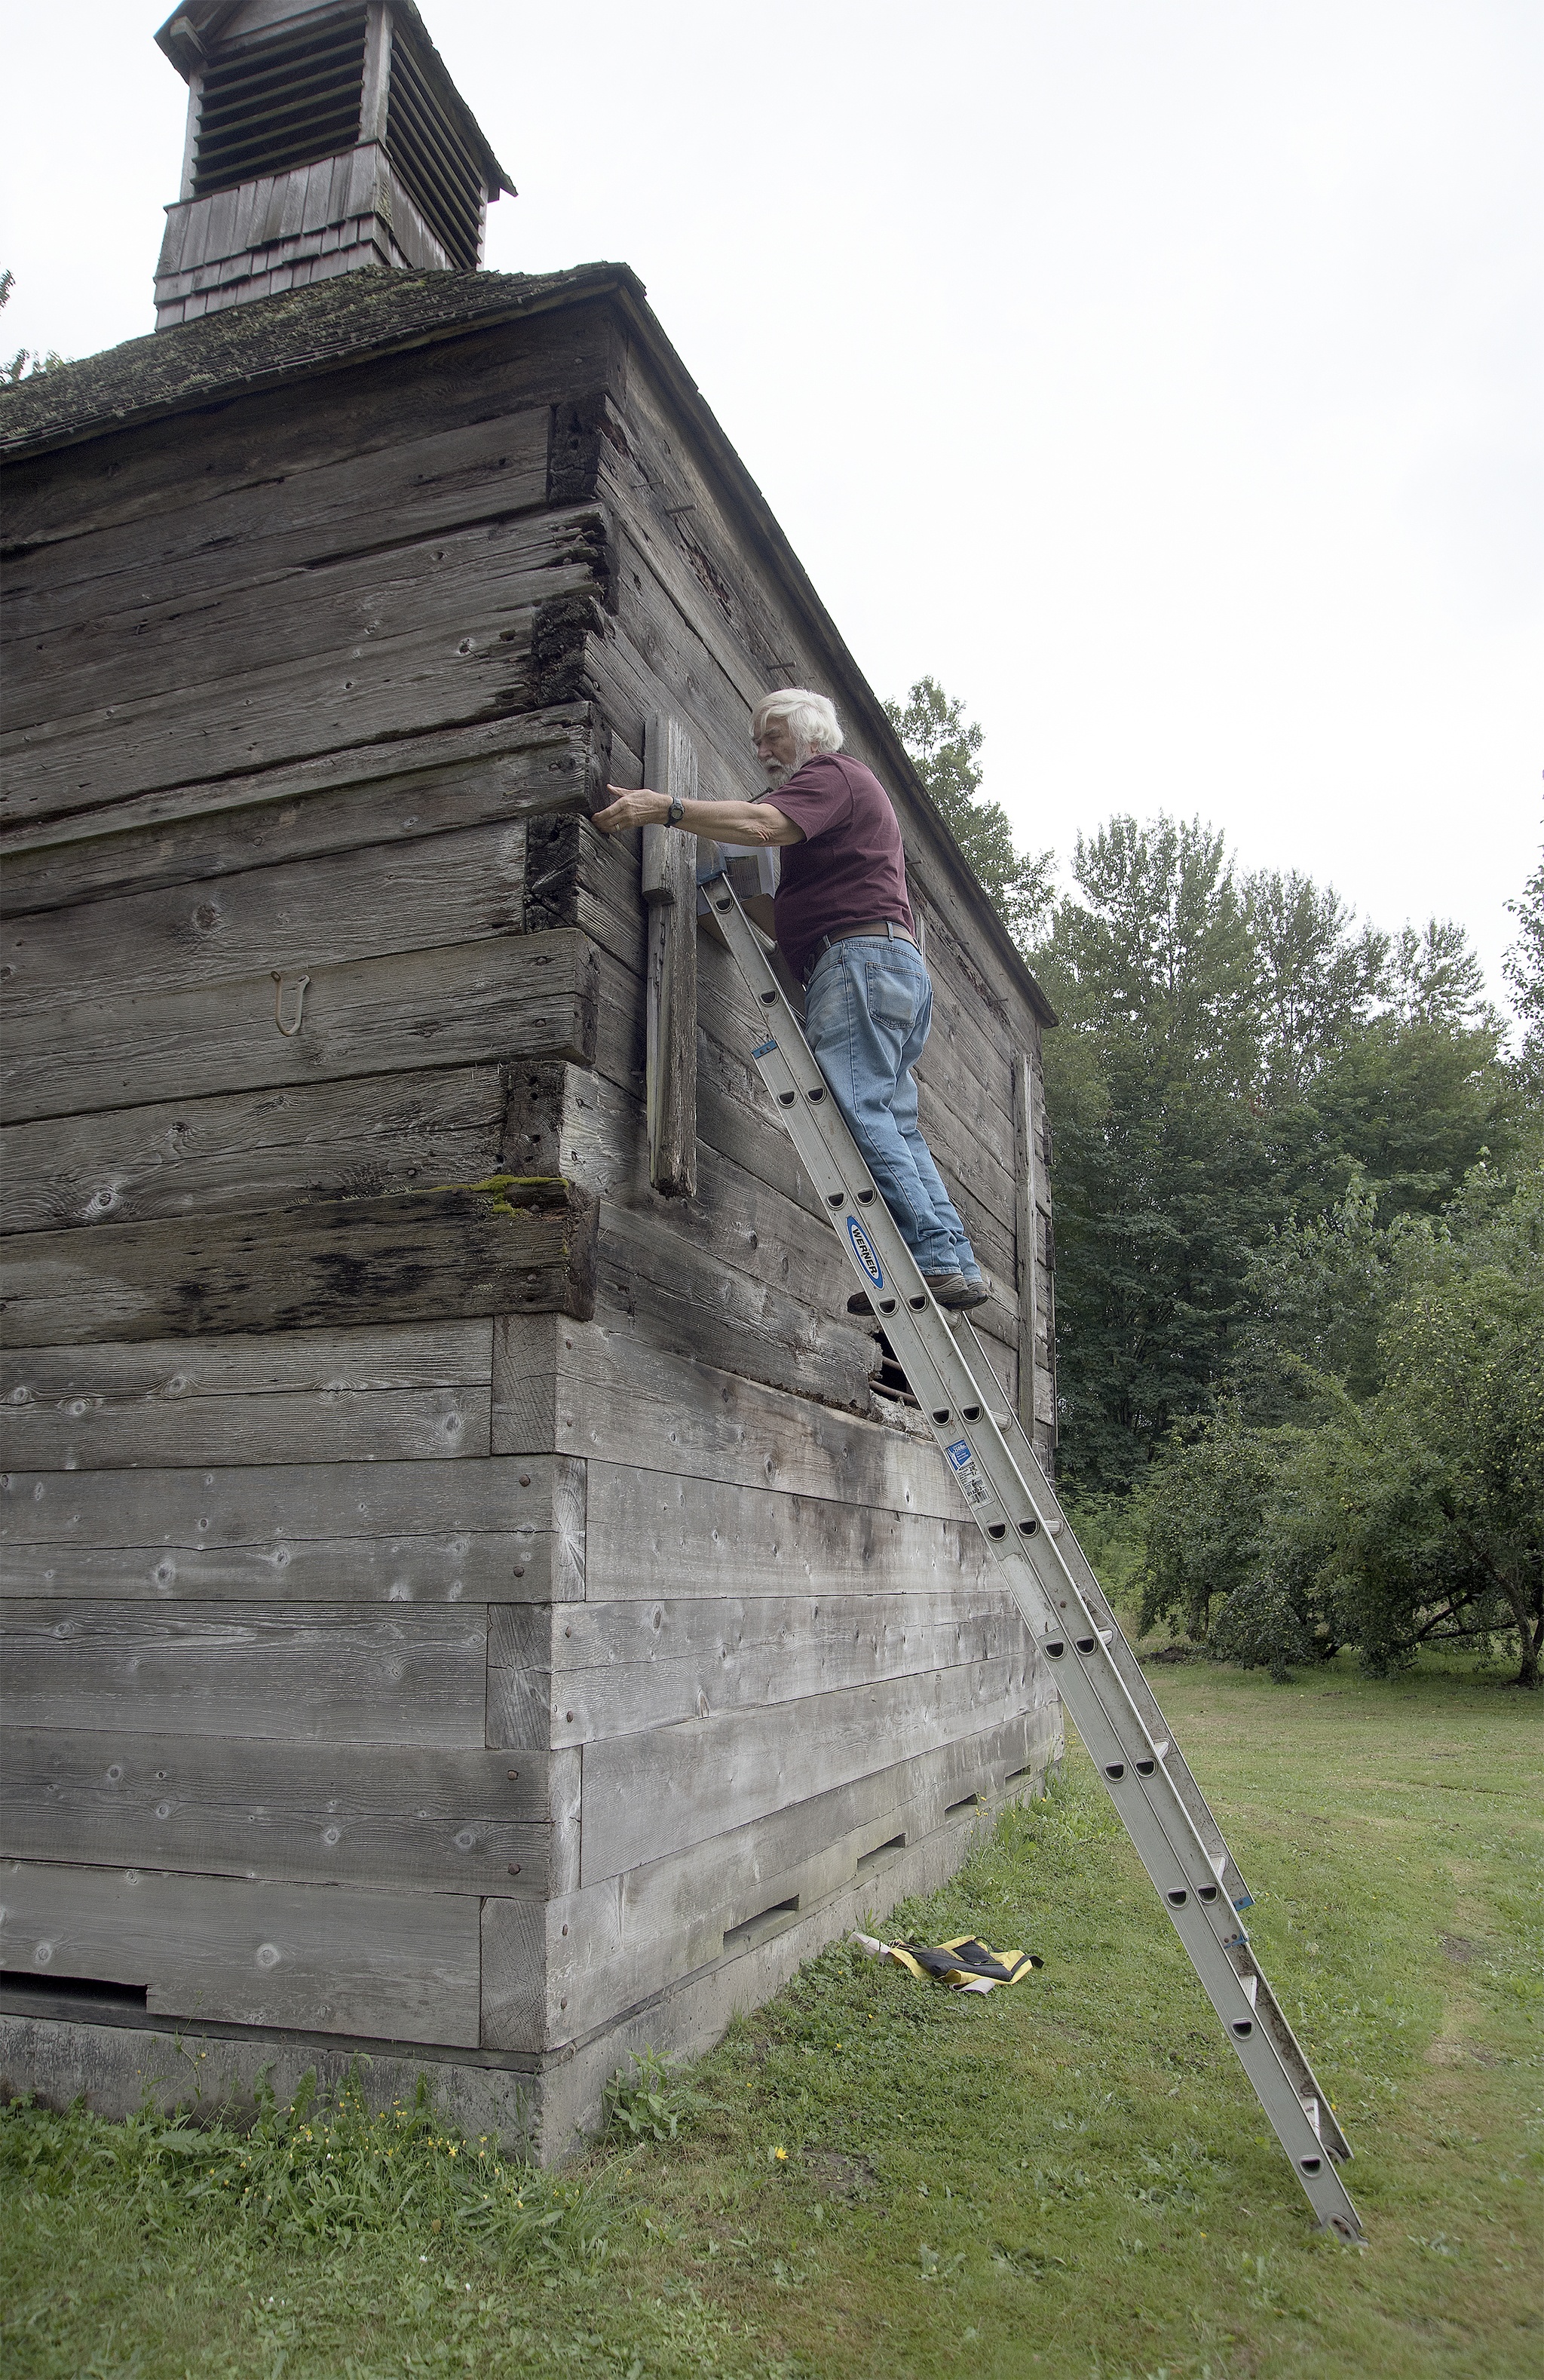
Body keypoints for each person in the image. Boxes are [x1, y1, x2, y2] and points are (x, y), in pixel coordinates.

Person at [591, 687, 988, 1311]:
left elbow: (761, 824)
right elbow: (787, 902)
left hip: (857, 963)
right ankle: (952, 1260)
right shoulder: (846, 799)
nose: (760, 748)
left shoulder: (832, 774)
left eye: (771, 732)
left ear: (810, 733)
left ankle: (932, 1260)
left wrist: (664, 808)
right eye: (756, 738)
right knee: (894, 1124)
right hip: (887, 967)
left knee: (859, 1114)